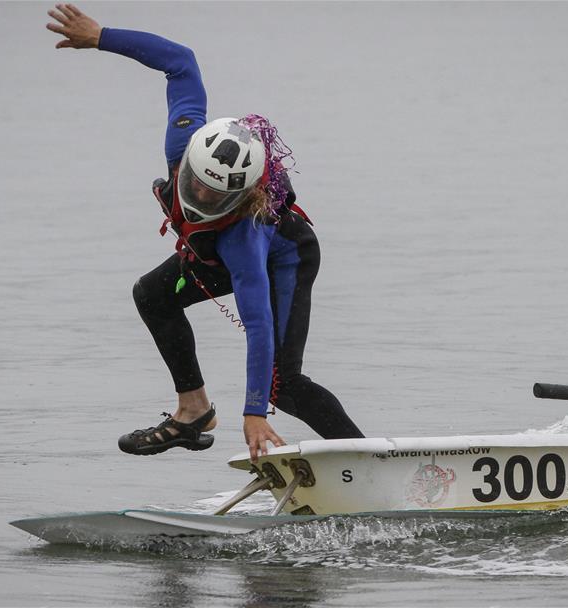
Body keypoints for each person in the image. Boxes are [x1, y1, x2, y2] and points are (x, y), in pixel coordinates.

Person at [46, 4, 364, 461]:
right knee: (152, 295)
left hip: (286, 257)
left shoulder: (244, 233)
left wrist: (255, 412)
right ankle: (193, 411)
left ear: (239, 195)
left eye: (215, 196)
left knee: (284, 385)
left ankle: (366, 458)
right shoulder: (184, 143)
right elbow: (181, 63)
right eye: (196, 183)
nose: (199, 195)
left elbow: (258, 324)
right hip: (213, 255)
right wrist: (101, 36)